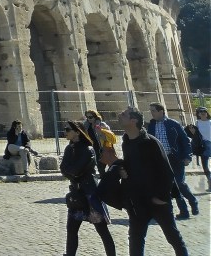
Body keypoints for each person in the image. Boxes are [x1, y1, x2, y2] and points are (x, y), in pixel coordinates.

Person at [115, 106, 189, 256]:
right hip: (137, 200)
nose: (119, 115)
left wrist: (161, 197)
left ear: (133, 120)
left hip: (156, 199)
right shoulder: (126, 142)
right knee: (135, 238)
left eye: (123, 114)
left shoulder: (151, 143)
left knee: (172, 237)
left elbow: (167, 172)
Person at [60, 120, 116, 256]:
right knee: (71, 229)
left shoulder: (88, 149)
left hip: (90, 193)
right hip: (76, 193)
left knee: (102, 230)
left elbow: (76, 169)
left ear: (77, 132)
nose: (65, 132)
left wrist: (71, 171)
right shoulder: (69, 148)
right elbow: (63, 169)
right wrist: (70, 171)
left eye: (68, 129)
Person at [147, 103, 198, 219]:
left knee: (179, 183)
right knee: (172, 186)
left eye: (153, 111)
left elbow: (185, 141)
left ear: (161, 111)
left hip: (175, 158)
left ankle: (192, 200)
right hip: (161, 160)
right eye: (151, 111)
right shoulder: (151, 125)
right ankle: (184, 211)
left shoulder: (173, 124)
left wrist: (188, 156)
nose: (151, 113)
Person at [85, 109, 116, 176]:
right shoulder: (87, 126)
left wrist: (100, 132)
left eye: (90, 117)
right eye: (87, 117)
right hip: (95, 148)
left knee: (111, 165)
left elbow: (109, 137)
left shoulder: (102, 124)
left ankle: (112, 179)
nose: (88, 119)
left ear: (95, 117)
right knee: (100, 167)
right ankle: (104, 181)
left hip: (105, 147)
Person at [193, 106, 211, 189]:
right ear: (199, 114)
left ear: (207, 114)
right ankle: (210, 181)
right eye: (201, 112)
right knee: (205, 166)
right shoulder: (197, 123)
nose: (203, 114)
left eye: (205, 112)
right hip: (203, 145)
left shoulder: (210, 122)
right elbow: (195, 135)